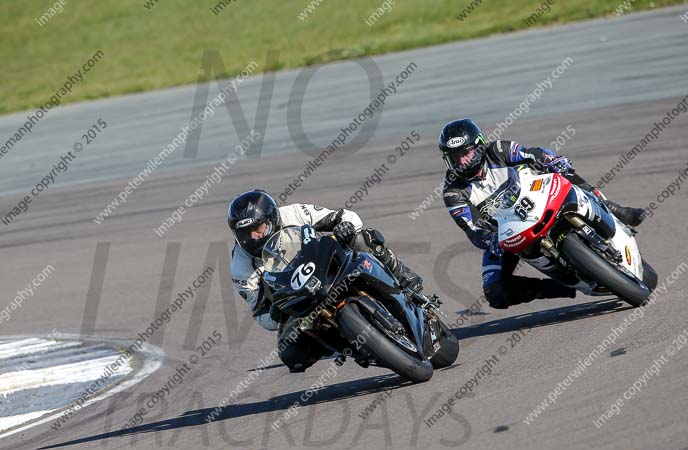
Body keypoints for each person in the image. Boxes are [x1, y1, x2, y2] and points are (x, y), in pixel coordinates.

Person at [438, 118, 646, 309]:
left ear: (480, 146)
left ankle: (613, 208)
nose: (463, 162)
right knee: (494, 292)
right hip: (505, 235)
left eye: (467, 153)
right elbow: (471, 228)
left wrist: (552, 160)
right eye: (455, 158)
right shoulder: (453, 191)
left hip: (537, 197)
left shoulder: (497, 150)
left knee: (563, 172)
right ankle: (565, 286)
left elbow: (532, 153)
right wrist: (490, 240)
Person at [228, 189, 422, 372]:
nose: (253, 237)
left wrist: (345, 227)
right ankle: (345, 342)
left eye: (258, 228)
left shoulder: (293, 213)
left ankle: (402, 274)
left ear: (271, 219)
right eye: (245, 233)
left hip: (329, 264)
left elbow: (346, 216)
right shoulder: (240, 268)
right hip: (300, 298)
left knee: (363, 239)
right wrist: (275, 312)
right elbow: (260, 314)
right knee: (292, 354)